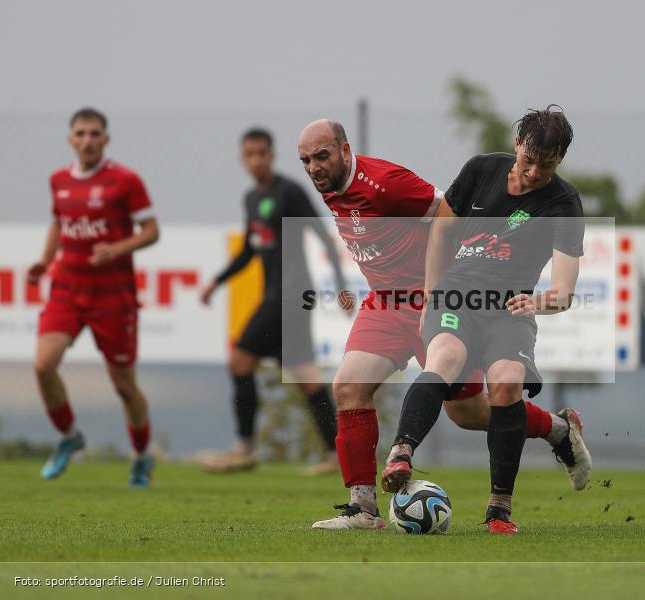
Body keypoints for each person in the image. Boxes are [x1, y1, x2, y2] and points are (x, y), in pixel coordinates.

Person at [296, 119, 590, 530]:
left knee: (469, 412)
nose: (314, 168)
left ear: (345, 151)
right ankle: (363, 510)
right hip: (385, 302)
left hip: (439, 299)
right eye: (306, 160)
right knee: (348, 386)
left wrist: (446, 287)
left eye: (322, 157)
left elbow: (444, 218)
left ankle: (556, 429)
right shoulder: (330, 187)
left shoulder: (386, 182)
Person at [382, 106, 588, 534]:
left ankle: (499, 509)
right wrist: (433, 293)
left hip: (509, 310)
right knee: (444, 360)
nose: (532, 174)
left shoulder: (564, 203)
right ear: (517, 145)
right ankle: (401, 451)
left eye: (545, 167)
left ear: (560, 160)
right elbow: (441, 230)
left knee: (507, 382)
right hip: (456, 297)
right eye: (528, 161)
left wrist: (539, 303)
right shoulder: (481, 169)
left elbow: (565, 290)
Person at [198, 127, 349, 474]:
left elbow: (323, 236)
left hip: (290, 294)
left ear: (272, 155)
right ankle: (338, 453)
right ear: (242, 158)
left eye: (262, 153)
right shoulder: (252, 199)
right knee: (306, 377)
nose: (256, 160)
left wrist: (341, 286)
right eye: (249, 154)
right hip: (279, 295)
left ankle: (244, 448)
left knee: (239, 360)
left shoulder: (289, 192)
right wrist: (216, 282)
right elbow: (250, 250)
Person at [28, 107, 160, 487]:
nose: (87, 140)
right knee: (42, 365)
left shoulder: (125, 180)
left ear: (106, 139)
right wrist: (44, 260)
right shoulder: (58, 180)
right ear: (71, 138)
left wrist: (117, 249)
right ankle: (70, 437)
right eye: (81, 133)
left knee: (123, 386)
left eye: (95, 134)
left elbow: (151, 231)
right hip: (67, 289)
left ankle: (140, 457)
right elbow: (59, 221)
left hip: (113, 298)